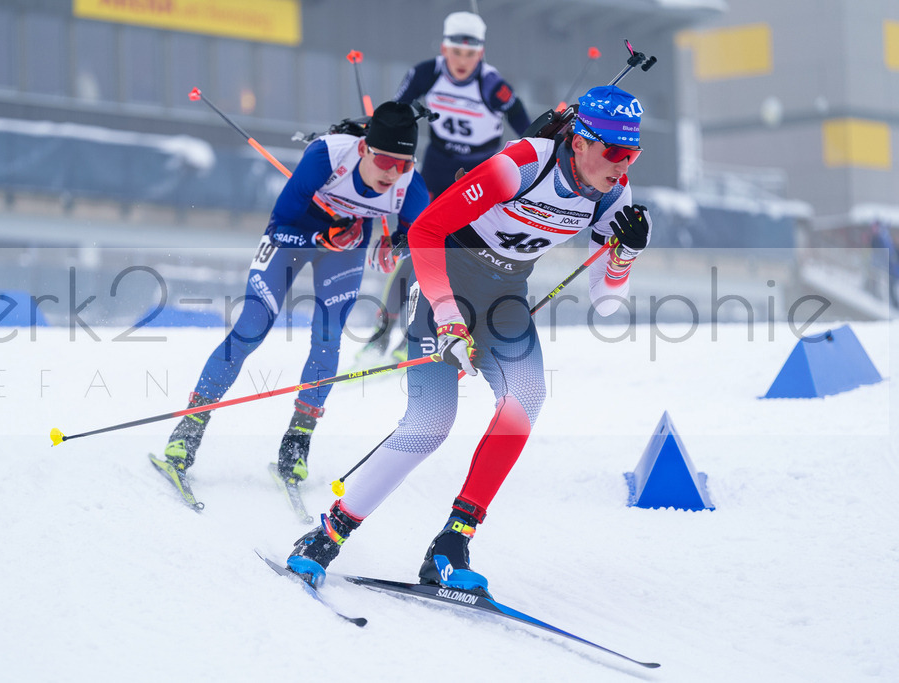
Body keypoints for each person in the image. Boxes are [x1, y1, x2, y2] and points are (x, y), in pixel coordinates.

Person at [286, 85, 652, 592]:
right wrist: (448, 316)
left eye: (633, 153)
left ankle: (451, 543)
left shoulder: (615, 193)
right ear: (580, 142)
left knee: (525, 400)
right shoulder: (521, 165)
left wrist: (624, 255)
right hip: (445, 279)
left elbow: (607, 301)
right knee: (430, 423)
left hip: (504, 296)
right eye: (614, 151)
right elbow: (426, 231)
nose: (623, 165)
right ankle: (327, 534)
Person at [150, 101, 430, 508]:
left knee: (328, 339)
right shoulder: (326, 157)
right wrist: (321, 239)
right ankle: (187, 434)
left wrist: (396, 245)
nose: (392, 173)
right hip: (294, 237)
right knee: (250, 328)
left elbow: (423, 235)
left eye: (403, 164)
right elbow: (281, 224)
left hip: (344, 250)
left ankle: (295, 450)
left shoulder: (410, 184)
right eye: (385, 159)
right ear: (366, 149)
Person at [362, 11, 532, 362]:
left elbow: (528, 130)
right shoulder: (427, 72)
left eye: (470, 55)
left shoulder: (493, 86)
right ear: (444, 48)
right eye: (456, 52)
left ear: (481, 54)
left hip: (479, 175)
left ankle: (420, 333)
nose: (462, 62)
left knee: (455, 255)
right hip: (438, 168)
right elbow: (397, 111)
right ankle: (381, 333)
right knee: (415, 245)